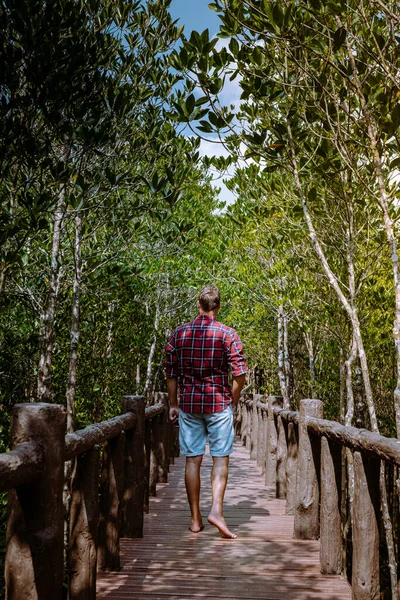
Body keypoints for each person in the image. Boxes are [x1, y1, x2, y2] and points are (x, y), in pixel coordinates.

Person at [166, 285, 247, 539]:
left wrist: (173, 403)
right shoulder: (228, 334)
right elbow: (240, 374)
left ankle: (194, 519)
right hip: (218, 403)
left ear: (198, 306)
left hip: (189, 405)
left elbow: (171, 373)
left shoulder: (179, 334)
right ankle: (216, 511)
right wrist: (231, 400)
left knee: (193, 460)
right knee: (220, 458)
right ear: (218, 307)